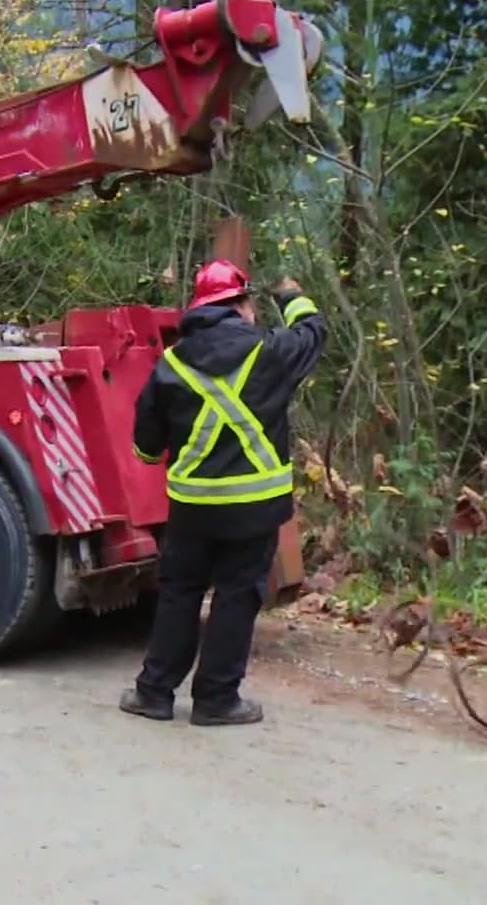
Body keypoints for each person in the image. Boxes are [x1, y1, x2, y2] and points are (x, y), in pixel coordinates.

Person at [119, 259, 327, 726]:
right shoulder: (270, 353)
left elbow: (146, 447)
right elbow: (314, 332)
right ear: (242, 306)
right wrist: (291, 294)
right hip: (253, 510)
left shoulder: (171, 364)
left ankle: (154, 693)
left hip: (192, 511)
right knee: (236, 596)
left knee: (179, 594)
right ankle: (215, 701)